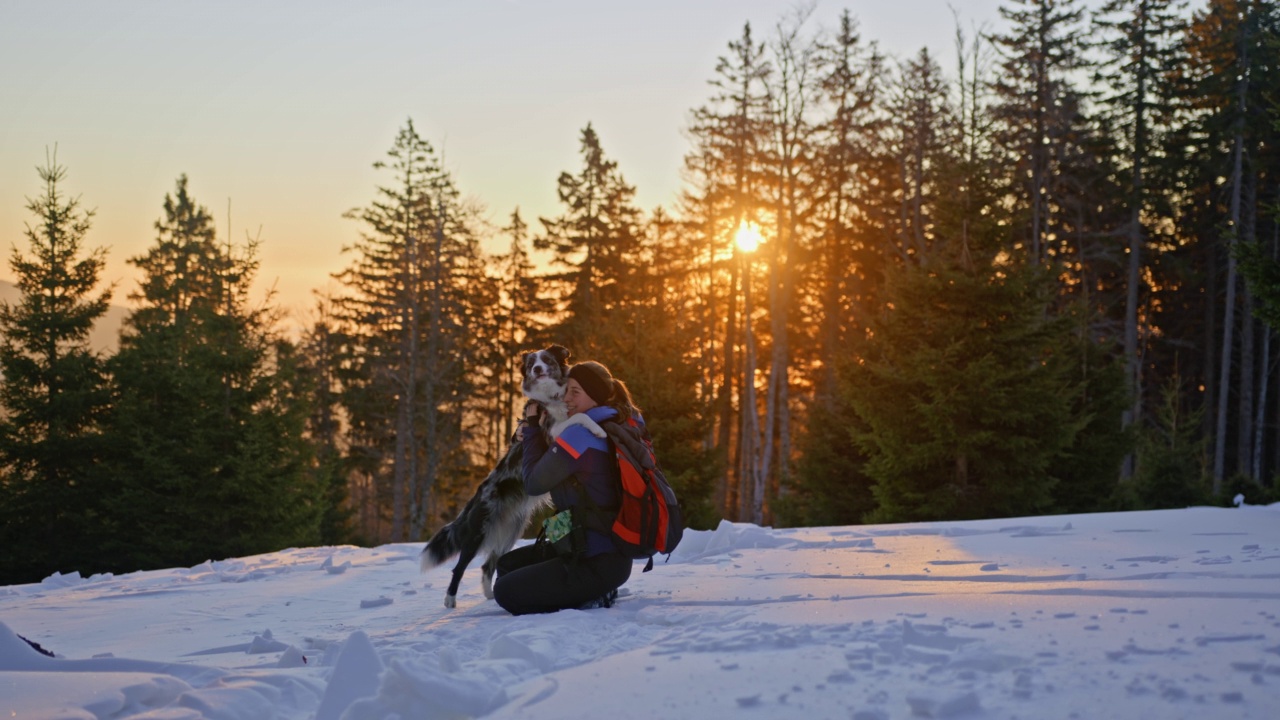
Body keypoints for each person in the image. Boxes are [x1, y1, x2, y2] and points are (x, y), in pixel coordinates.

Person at [492, 361, 639, 615]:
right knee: (507, 564)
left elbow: (535, 483)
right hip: (588, 547)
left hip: (597, 561)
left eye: (575, 393)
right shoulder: (611, 420)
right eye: (566, 390)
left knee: (506, 592)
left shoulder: (580, 435)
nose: (566, 399)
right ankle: (586, 587)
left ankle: (595, 593)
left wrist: (531, 430)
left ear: (594, 396)